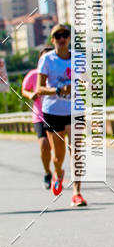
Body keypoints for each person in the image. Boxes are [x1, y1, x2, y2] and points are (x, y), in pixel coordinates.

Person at [35, 24, 87, 207]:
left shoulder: (78, 58)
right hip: (53, 111)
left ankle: (77, 193)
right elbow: (39, 88)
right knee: (58, 156)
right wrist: (58, 90)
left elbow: (86, 80)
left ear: (69, 38)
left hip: (75, 110)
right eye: (58, 36)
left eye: (65, 35)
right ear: (53, 40)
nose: (62, 38)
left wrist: (88, 85)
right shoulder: (47, 59)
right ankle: (58, 173)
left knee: (76, 151)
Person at [21, 46, 53, 188]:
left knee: (57, 148)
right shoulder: (33, 75)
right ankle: (47, 172)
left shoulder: (57, 74)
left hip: (56, 114)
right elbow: (24, 90)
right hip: (40, 116)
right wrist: (30, 94)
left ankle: (58, 170)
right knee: (44, 145)